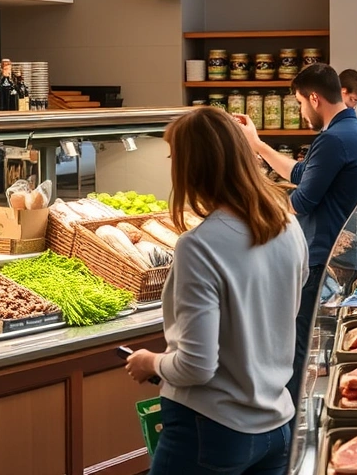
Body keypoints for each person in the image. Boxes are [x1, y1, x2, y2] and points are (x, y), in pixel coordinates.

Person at [125, 108, 308, 475]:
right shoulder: (288, 225)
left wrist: (149, 362)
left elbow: (196, 366)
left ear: (193, 167)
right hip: (277, 426)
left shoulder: (199, 245)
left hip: (210, 429)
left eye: (174, 157)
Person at [235, 63, 357, 409]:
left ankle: (291, 420)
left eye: (299, 103)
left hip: (323, 256)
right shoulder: (355, 132)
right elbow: (302, 173)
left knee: (300, 340)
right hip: (344, 253)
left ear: (314, 98)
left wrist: (243, 203)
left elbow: (301, 200)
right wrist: (258, 145)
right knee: (322, 340)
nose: (300, 111)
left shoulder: (332, 139)